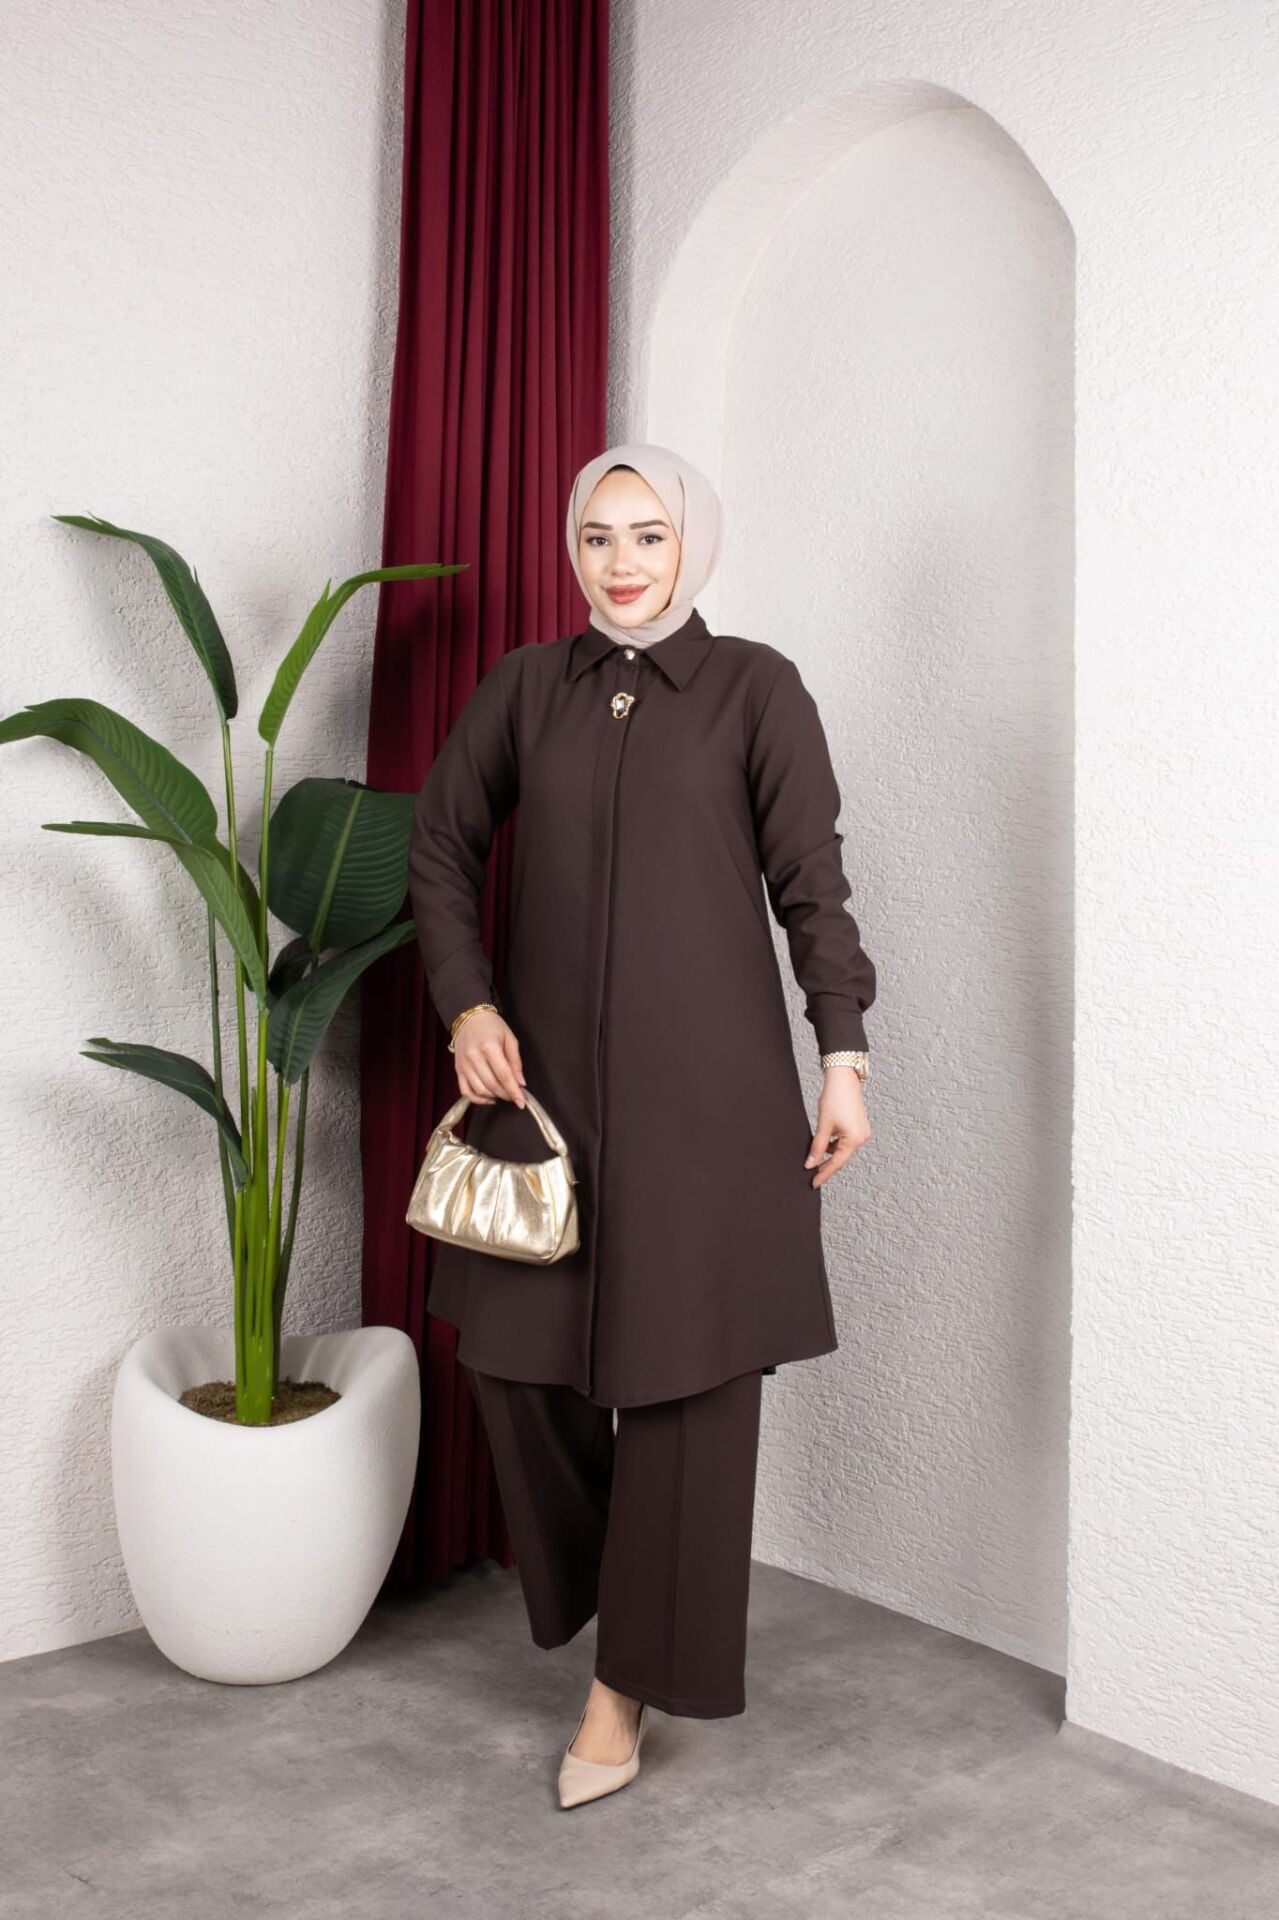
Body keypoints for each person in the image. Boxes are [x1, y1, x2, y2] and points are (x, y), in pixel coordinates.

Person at [407, 443, 876, 1808]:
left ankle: (621, 1693)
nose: (622, 563)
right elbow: (440, 844)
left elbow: (813, 883)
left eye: (649, 534)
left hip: (709, 1108)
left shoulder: (756, 690)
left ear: (693, 545)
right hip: (539, 1098)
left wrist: (844, 1054)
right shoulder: (525, 689)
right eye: (598, 536)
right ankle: (638, 1591)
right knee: (515, 1362)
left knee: (685, 1389)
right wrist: (464, 1004)